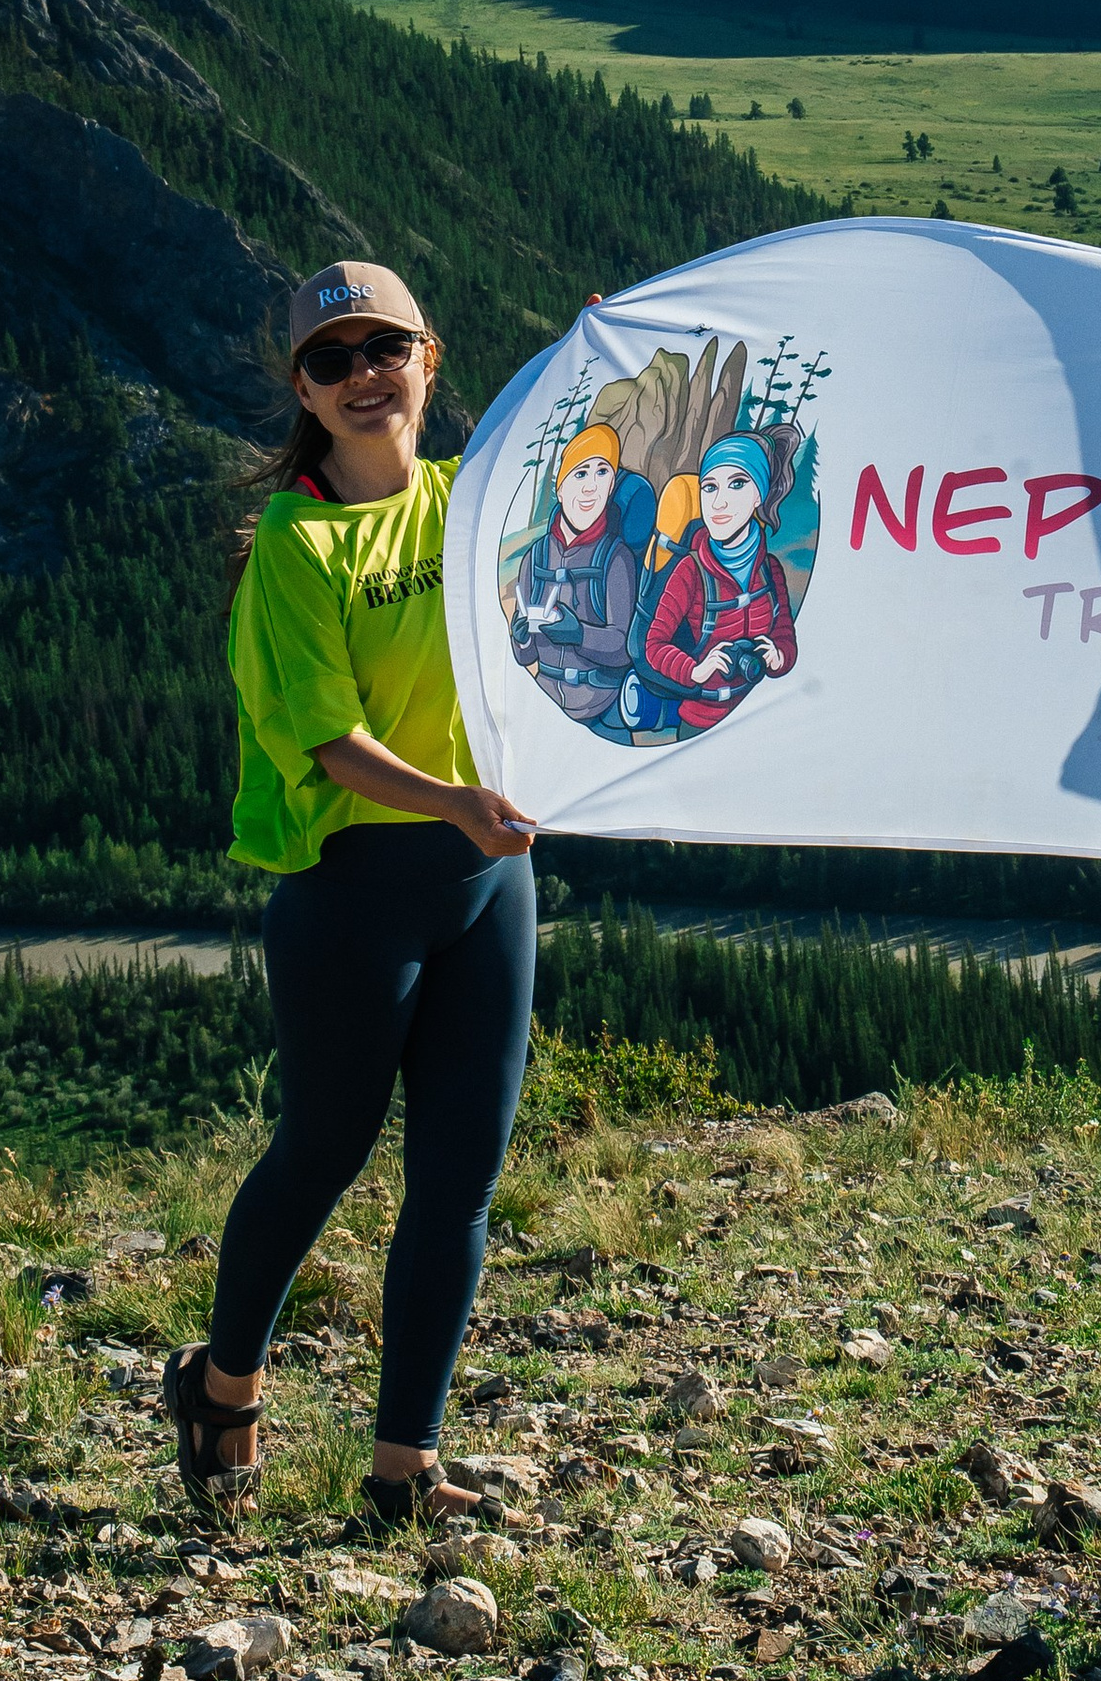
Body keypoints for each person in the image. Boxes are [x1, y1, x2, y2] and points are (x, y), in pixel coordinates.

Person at [163, 261, 539, 1526]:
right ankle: (222, 1389)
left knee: (460, 1174)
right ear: (305, 395)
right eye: (333, 360)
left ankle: (405, 1469)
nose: (364, 375)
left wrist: (606, 359)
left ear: (430, 357)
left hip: (487, 879)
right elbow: (327, 742)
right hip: (356, 885)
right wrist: (457, 808)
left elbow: (607, 529)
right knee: (323, 1149)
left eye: (385, 348)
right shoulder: (295, 546)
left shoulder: (472, 502)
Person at [626, 429, 800, 736]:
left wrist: (779, 656)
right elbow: (654, 645)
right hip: (701, 723)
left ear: (758, 494)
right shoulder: (690, 571)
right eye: (709, 487)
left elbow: (784, 634)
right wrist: (695, 670)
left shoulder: (770, 570)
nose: (719, 503)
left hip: (763, 715)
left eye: (737, 484)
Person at [509, 422, 643, 740]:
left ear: (612, 486)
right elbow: (524, 657)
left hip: (603, 712)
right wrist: (521, 637)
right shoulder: (536, 557)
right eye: (580, 474)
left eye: (602, 473)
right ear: (561, 487)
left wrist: (578, 634)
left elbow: (624, 646)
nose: (591, 488)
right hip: (544, 711)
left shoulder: (616, 557)